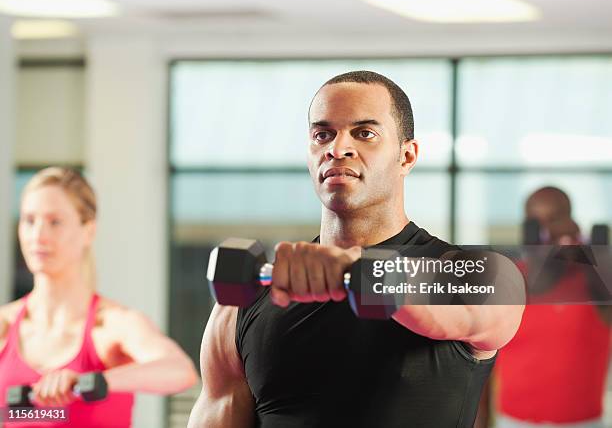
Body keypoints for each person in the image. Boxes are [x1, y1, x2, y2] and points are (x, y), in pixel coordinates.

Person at [188, 71, 524, 428]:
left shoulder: (481, 274)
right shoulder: (242, 305)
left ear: (407, 156)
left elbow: (469, 309)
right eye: (323, 135)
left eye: (365, 133)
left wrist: (351, 270)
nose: (338, 148)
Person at [0, 167, 198, 427]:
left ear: (88, 231)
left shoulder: (112, 325)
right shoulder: (5, 324)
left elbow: (180, 371)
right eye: (29, 220)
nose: (38, 235)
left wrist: (94, 381)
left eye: (54, 222)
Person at [479, 186, 611, 428]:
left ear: (571, 224)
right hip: (515, 422)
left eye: (555, 219)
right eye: (536, 223)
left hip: (586, 423)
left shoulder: (596, 281)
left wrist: (587, 255)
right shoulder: (506, 282)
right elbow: (482, 363)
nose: (546, 231)